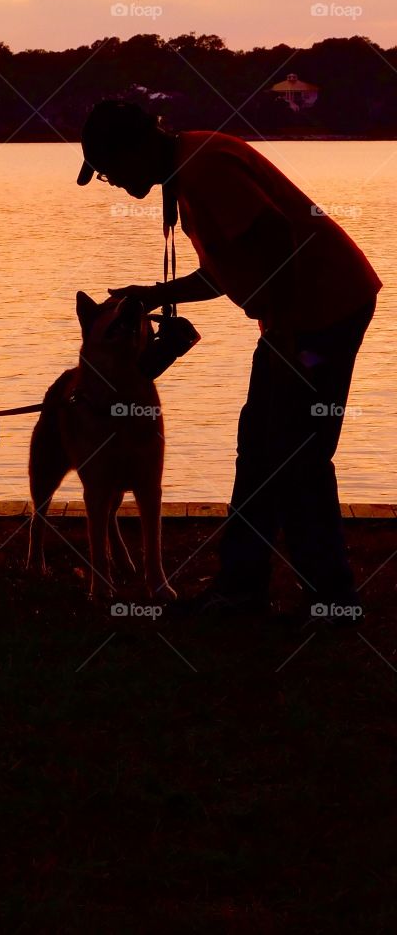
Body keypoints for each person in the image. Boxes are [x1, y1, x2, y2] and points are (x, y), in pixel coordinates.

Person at [76, 99, 382, 619]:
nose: (111, 179)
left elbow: (276, 241)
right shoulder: (189, 170)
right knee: (261, 449)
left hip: (322, 314)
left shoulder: (204, 168)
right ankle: (242, 589)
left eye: (108, 168)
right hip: (301, 318)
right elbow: (227, 271)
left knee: (296, 454)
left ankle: (329, 599)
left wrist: (285, 338)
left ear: (135, 147)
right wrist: (151, 295)